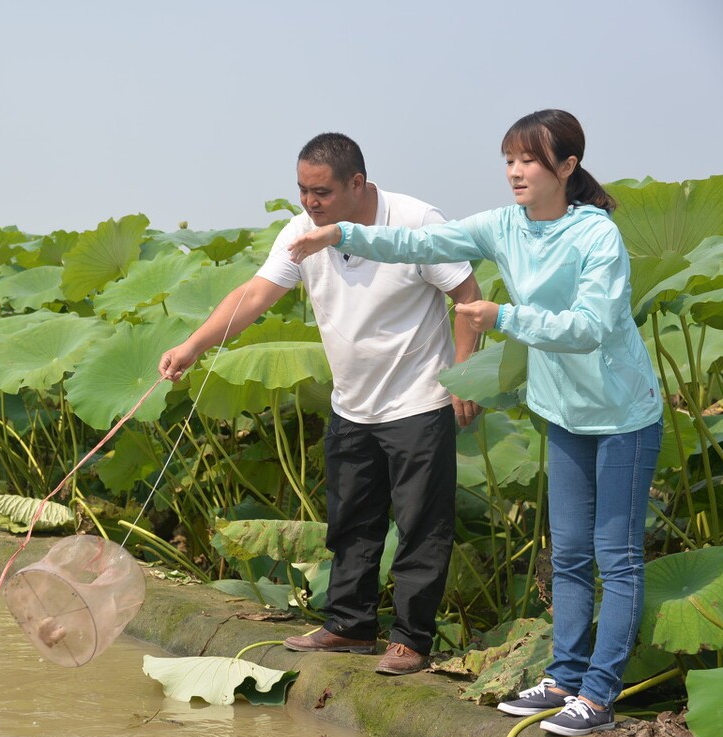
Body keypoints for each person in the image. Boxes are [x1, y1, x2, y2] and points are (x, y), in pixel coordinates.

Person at [288, 110, 662, 736]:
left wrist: (504, 318)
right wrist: (341, 235)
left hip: (622, 413)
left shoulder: (596, 237)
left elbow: (592, 328)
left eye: (530, 161)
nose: (515, 172)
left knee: (614, 557)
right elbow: (420, 244)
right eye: (509, 160)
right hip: (564, 409)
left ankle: (598, 696)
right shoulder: (504, 225)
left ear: (566, 168)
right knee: (567, 554)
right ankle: (565, 678)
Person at [160, 132, 482, 676]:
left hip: (418, 398)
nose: (310, 203)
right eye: (303, 191)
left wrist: (464, 376)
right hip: (352, 401)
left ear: (357, 183)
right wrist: (194, 345)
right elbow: (256, 294)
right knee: (351, 520)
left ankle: (410, 640)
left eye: (322, 193)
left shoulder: (417, 223)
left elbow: (469, 299)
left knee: (421, 526)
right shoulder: (301, 231)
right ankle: (349, 625)